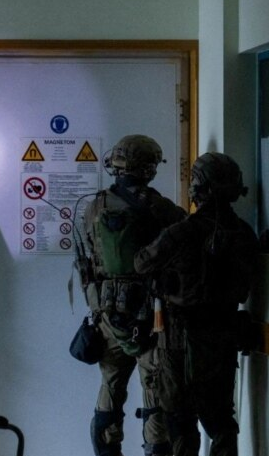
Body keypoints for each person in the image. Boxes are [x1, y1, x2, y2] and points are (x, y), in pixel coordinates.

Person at [134, 152, 258, 456]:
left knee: (180, 421)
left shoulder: (181, 231)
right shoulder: (244, 233)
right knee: (221, 420)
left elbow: (141, 262)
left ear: (198, 187)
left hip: (179, 338)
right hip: (222, 338)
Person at [78, 135, 186, 456]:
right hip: (150, 314)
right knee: (153, 386)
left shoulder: (94, 206)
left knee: (111, 386)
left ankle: (107, 450)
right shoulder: (159, 207)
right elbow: (186, 236)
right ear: (148, 168)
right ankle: (156, 449)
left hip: (107, 314)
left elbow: (91, 255)